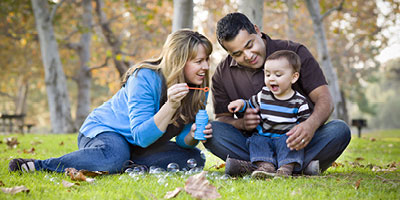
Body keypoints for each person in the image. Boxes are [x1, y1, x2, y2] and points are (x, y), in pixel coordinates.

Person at [9, 29, 213, 174]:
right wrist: (170, 106)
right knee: (115, 155)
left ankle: (127, 164)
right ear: (178, 60)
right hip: (105, 131)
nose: (205, 67)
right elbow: (141, 136)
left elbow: (182, 139)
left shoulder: (197, 89)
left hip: (138, 147)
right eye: (198, 61)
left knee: (193, 158)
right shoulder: (145, 77)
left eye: (207, 59)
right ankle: (41, 165)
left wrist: (193, 135)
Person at [204, 12, 351, 176]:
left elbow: (324, 99)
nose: (248, 55)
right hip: (257, 144)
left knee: (339, 130)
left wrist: (310, 125)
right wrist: (242, 124)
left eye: (250, 45)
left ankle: (255, 168)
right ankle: (294, 168)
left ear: (257, 31)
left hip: (297, 142)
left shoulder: (294, 52)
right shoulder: (222, 74)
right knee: (211, 131)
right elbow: (222, 118)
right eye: (237, 54)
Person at [227, 50, 310, 177]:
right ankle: (266, 166)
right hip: (265, 136)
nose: (271, 79)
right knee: (256, 140)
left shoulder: (299, 101)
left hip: (285, 137)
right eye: (267, 74)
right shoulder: (264, 94)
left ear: (294, 77)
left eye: (278, 75)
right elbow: (250, 104)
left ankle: (286, 167)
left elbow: (305, 123)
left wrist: (301, 134)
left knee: (291, 142)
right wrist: (241, 104)